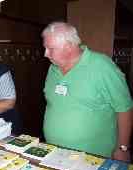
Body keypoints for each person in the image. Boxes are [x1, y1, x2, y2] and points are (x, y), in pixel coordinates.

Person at [41, 22, 133, 162]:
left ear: (69, 46)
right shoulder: (53, 68)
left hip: (93, 158)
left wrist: (122, 148)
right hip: (56, 154)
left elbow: (125, 108)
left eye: (50, 48)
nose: (45, 54)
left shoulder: (102, 66)